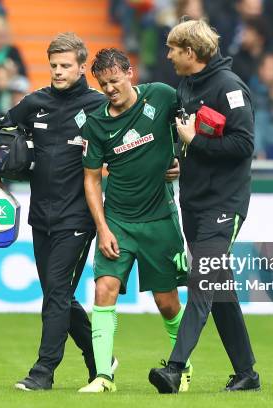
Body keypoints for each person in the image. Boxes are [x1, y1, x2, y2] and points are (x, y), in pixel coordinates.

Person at [0, 32, 107, 391]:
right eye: (53, 65)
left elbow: (125, 143)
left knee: (55, 294)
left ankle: (43, 372)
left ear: (82, 67)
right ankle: (99, 358)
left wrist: (168, 165)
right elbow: (1, 134)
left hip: (79, 218)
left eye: (65, 65)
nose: (58, 71)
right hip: (41, 216)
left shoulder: (98, 106)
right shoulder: (34, 102)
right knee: (59, 295)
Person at [149, 18, 259, 393]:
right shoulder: (187, 86)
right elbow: (192, 140)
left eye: (172, 49)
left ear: (190, 52)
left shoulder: (230, 89)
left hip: (224, 205)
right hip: (194, 203)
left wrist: (195, 144)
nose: (168, 55)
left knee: (202, 283)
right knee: (221, 291)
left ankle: (174, 368)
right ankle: (247, 373)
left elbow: (244, 146)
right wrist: (183, 155)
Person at [78, 48, 189, 393]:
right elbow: (92, 178)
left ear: (130, 73)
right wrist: (103, 227)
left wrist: (184, 160)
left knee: (166, 301)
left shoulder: (163, 96)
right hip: (119, 221)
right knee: (103, 290)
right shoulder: (97, 121)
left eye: (114, 81)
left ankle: (181, 368)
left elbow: (192, 130)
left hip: (160, 219)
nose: (110, 89)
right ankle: (102, 376)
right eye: (104, 84)